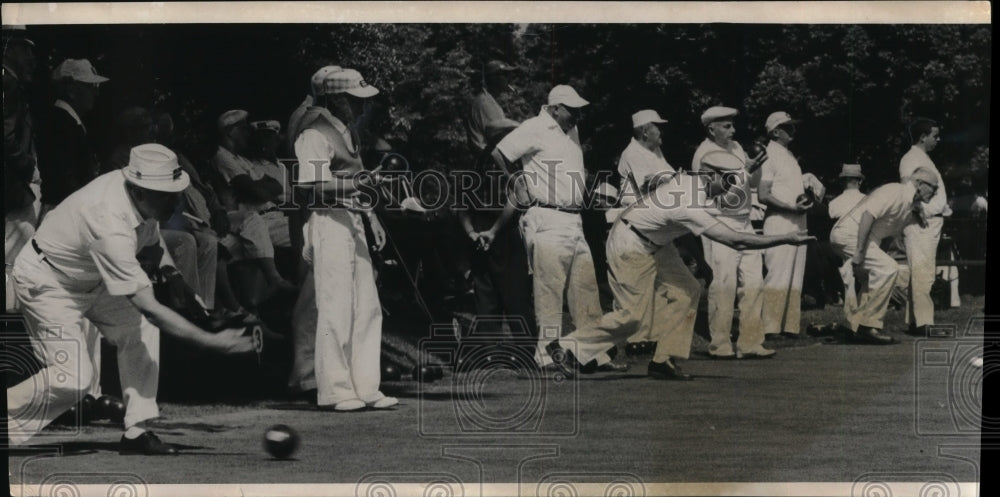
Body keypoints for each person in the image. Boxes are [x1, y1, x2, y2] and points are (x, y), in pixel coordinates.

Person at [7, 144, 255, 453]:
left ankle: (137, 430)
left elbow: (150, 237)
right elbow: (151, 308)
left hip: (90, 278)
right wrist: (212, 342)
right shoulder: (108, 221)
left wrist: (175, 277)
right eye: (166, 193)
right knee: (73, 378)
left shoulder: (141, 194)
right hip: (47, 283)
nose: (175, 200)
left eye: (174, 191)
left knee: (139, 329)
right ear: (138, 191)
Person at [545, 152, 813, 380]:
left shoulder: (698, 180)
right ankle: (567, 347)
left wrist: (744, 169)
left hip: (657, 243)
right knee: (632, 317)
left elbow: (728, 176)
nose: (733, 186)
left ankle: (664, 360)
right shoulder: (689, 203)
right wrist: (785, 238)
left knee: (688, 289)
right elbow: (737, 241)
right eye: (728, 180)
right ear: (709, 176)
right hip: (629, 243)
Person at [292, 68, 397, 411]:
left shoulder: (346, 132)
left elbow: (357, 178)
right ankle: (335, 389)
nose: (362, 107)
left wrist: (372, 216)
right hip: (327, 220)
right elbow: (310, 187)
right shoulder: (313, 134)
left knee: (366, 305)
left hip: (352, 217)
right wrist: (359, 186)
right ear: (336, 99)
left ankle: (365, 386)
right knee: (335, 305)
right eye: (355, 100)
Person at [490, 84, 609, 368]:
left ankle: (591, 352)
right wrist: (517, 181)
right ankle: (546, 356)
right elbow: (499, 152)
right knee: (549, 291)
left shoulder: (572, 131)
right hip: (546, 217)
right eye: (572, 110)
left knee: (586, 288)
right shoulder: (534, 127)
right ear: (555, 108)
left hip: (573, 218)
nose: (577, 115)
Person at [690, 106, 772, 359]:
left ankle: (750, 342)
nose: (732, 130)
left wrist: (756, 166)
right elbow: (722, 184)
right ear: (711, 128)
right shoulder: (705, 153)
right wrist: (746, 169)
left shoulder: (736, 148)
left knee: (754, 282)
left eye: (732, 125)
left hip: (744, 221)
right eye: (726, 126)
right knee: (724, 284)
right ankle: (720, 345)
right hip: (719, 222)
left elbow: (753, 183)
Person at [829, 167, 940, 344]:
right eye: (933, 187)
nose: (935, 193)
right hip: (849, 234)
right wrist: (858, 252)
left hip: (860, 238)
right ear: (919, 183)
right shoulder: (895, 191)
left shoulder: (910, 205)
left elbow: (888, 233)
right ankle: (868, 326)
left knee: (873, 278)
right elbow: (867, 216)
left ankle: (854, 326)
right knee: (888, 268)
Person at [211, 109, 295, 298]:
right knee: (307, 235)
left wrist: (260, 187)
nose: (249, 135)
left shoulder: (241, 159)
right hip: (252, 220)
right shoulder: (221, 155)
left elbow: (274, 187)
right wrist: (258, 186)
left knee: (311, 231)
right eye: (244, 130)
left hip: (270, 216)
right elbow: (259, 191)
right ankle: (284, 285)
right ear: (231, 132)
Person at [613, 109, 674, 352]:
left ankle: (651, 336)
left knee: (659, 282)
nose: (661, 131)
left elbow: (667, 179)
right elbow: (648, 185)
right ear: (644, 131)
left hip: (655, 224)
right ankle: (635, 339)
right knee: (636, 283)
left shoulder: (655, 152)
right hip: (634, 223)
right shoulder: (633, 153)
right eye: (657, 126)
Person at [757, 111, 813, 341]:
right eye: (787, 127)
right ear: (775, 131)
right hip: (779, 221)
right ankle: (770, 327)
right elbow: (763, 194)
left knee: (795, 274)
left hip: (798, 219)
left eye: (793, 127)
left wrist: (803, 201)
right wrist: (791, 207)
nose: (793, 131)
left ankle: (789, 326)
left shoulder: (788, 156)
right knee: (778, 273)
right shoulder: (768, 154)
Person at [36, 59, 108, 219]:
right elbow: (63, 179)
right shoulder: (60, 124)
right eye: (90, 86)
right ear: (71, 89)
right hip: (63, 212)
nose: (96, 93)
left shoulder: (69, 121)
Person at [899, 118, 950, 336]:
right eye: (934, 135)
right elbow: (909, 188)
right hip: (923, 222)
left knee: (921, 272)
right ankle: (924, 324)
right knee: (923, 273)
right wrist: (919, 211)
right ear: (923, 136)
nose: (937, 140)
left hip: (930, 220)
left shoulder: (923, 158)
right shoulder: (912, 159)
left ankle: (915, 321)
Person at [4, 26, 38, 312]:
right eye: (24, 48)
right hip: (11, 184)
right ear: (9, 48)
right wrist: (27, 165)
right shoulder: (8, 84)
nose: (30, 56)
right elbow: (6, 136)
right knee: (14, 255)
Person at [465, 59, 516, 155]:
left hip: (491, 159)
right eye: (504, 74)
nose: (509, 78)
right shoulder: (485, 102)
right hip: (487, 161)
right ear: (493, 78)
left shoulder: (489, 100)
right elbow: (498, 134)